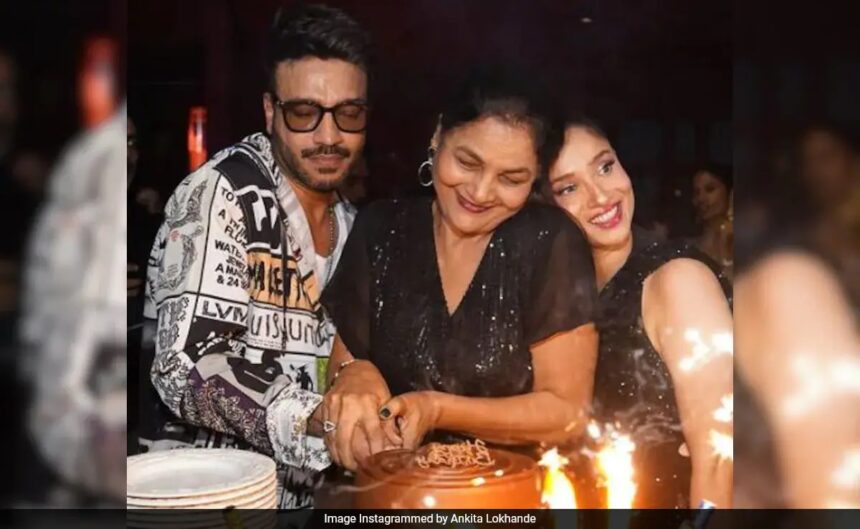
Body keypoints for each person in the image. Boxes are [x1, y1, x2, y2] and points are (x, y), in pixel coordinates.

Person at [143, 4, 370, 508]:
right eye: (304, 112)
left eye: (349, 114)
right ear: (270, 111)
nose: (329, 136)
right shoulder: (223, 193)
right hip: (206, 502)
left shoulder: (356, 227)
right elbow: (187, 364)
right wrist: (316, 417)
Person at [320, 68, 599, 472]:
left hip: (509, 494)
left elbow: (566, 413)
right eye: (467, 162)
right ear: (438, 136)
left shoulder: (550, 242)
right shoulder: (380, 228)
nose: (480, 192)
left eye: (511, 179)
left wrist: (436, 409)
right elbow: (344, 370)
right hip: (393, 491)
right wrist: (353, 375)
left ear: (535, 179)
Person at [545, 119, 733, 508]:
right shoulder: (563, 295)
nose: (601, 195)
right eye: (569, 187)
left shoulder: (678, 280)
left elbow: (722, 461)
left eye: (605, 166)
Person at [691, 164, 733, 279]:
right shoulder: (693, 245)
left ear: (730, 193)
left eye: (710, 189)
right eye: (696, 192)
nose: (701, 198)